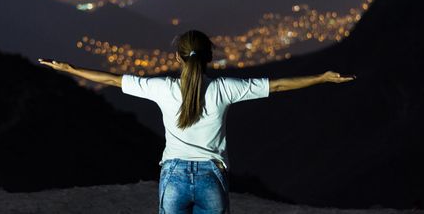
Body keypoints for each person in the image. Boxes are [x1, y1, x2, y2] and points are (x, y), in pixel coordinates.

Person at [38, 29, 355, 213]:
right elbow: (279, 85)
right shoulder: (225, 89)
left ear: (177, 58)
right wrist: (323, 77)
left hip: (173, 175)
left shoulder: (161, 88)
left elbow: (112, 80)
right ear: (210, 58)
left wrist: (71, 69)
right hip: (211, 178)